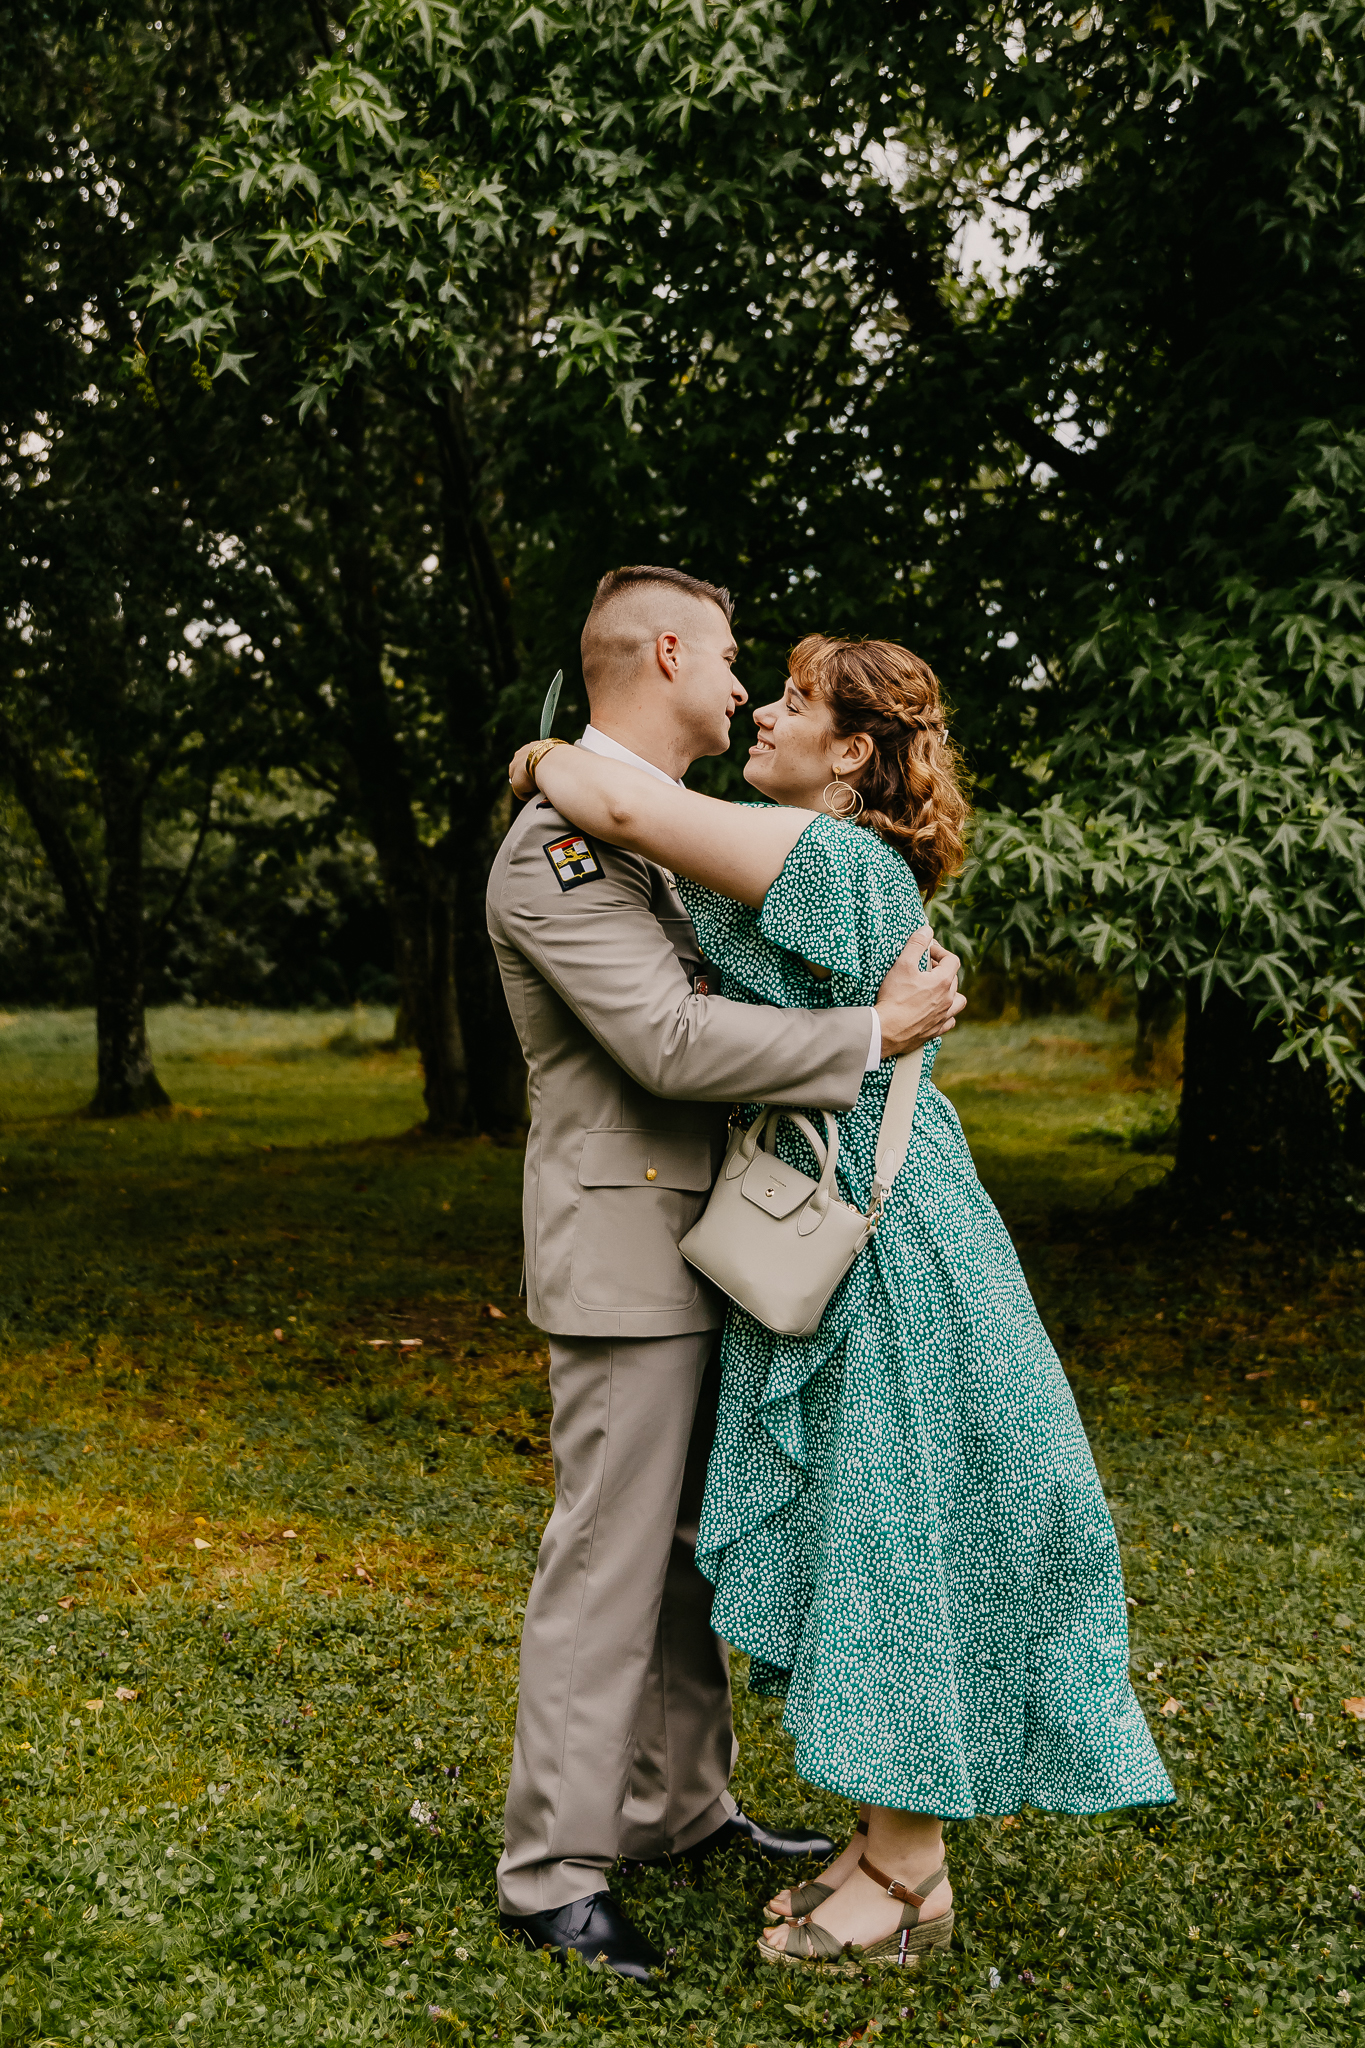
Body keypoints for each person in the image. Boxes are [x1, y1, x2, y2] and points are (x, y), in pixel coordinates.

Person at [508, 628, 1175, 1976]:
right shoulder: (800, 849)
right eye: (757, 681)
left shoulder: (830, 858)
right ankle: (876, 1847)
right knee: (869, 1528)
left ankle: (906, 1873)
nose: (761, 708)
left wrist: (538, 755)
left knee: (894, 1534)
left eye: (796, 700)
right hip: (840, 1213)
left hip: (882, 1233)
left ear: (852, 753)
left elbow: (618, 803)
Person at [486, 568, 966, 1982]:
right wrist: (869, 1036)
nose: (747, 686)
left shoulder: (672, 830)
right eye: (734, 657)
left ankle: (678, 1808)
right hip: (630, 1247)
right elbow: (669, 1042)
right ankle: (552, 1872)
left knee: (689, 1557)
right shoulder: (556, 850)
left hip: (741, 1246)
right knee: (607, 1561)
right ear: (668, 653)